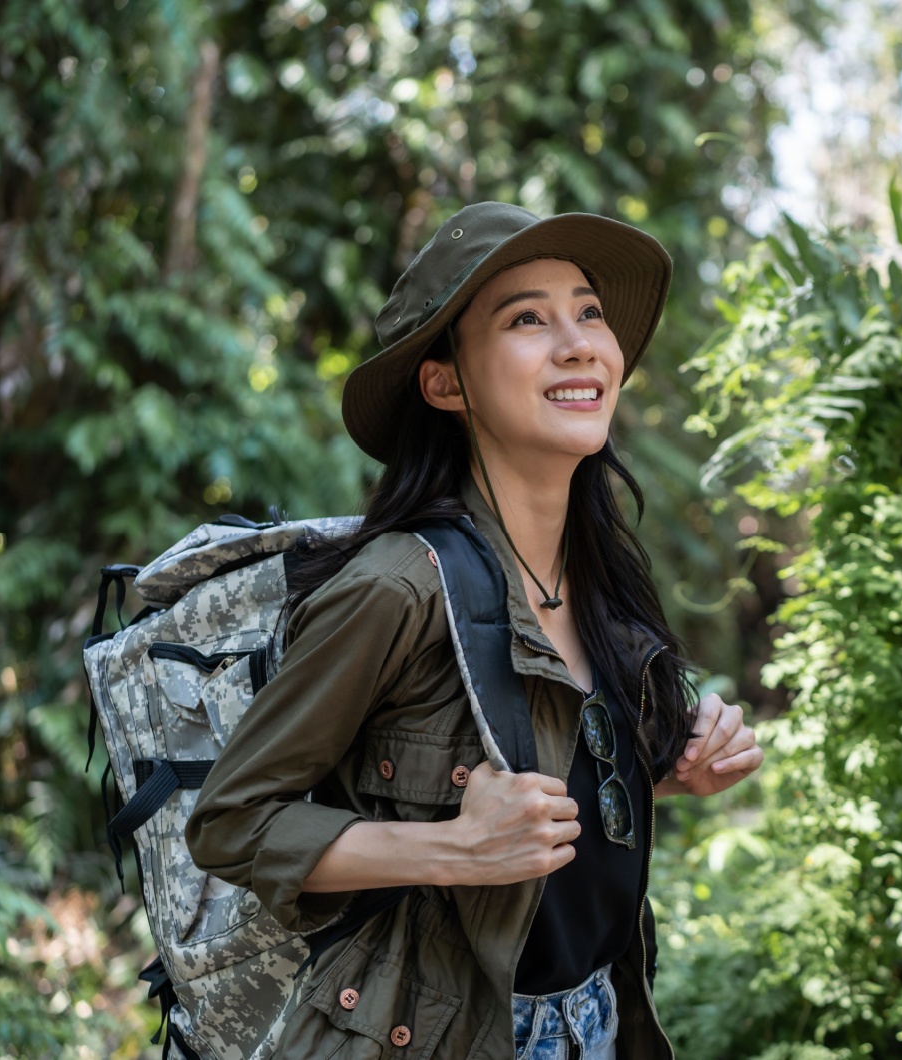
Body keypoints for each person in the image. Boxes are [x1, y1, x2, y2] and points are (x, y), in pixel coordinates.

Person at [185, 202, 763, 1059]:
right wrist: (455, 848)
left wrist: (674, 772)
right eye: (528, 318)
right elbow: (230, 822)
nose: (578, 343)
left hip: (597, 1022)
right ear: (446, 382)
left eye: (589, 311)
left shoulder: (599, 576)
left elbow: (555, 808)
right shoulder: (397, 588)